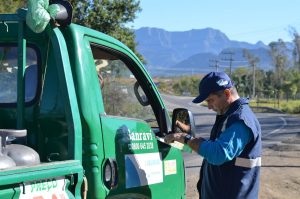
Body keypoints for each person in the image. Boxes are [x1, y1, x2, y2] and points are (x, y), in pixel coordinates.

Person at [165, 71, 261, 199]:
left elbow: (218, 154)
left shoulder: (240, 120)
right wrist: (184, 140)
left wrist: (186, 139)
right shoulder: (227, 116)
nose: (209, 106)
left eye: (211, 100)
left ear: (227, 94)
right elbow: (212, 148)